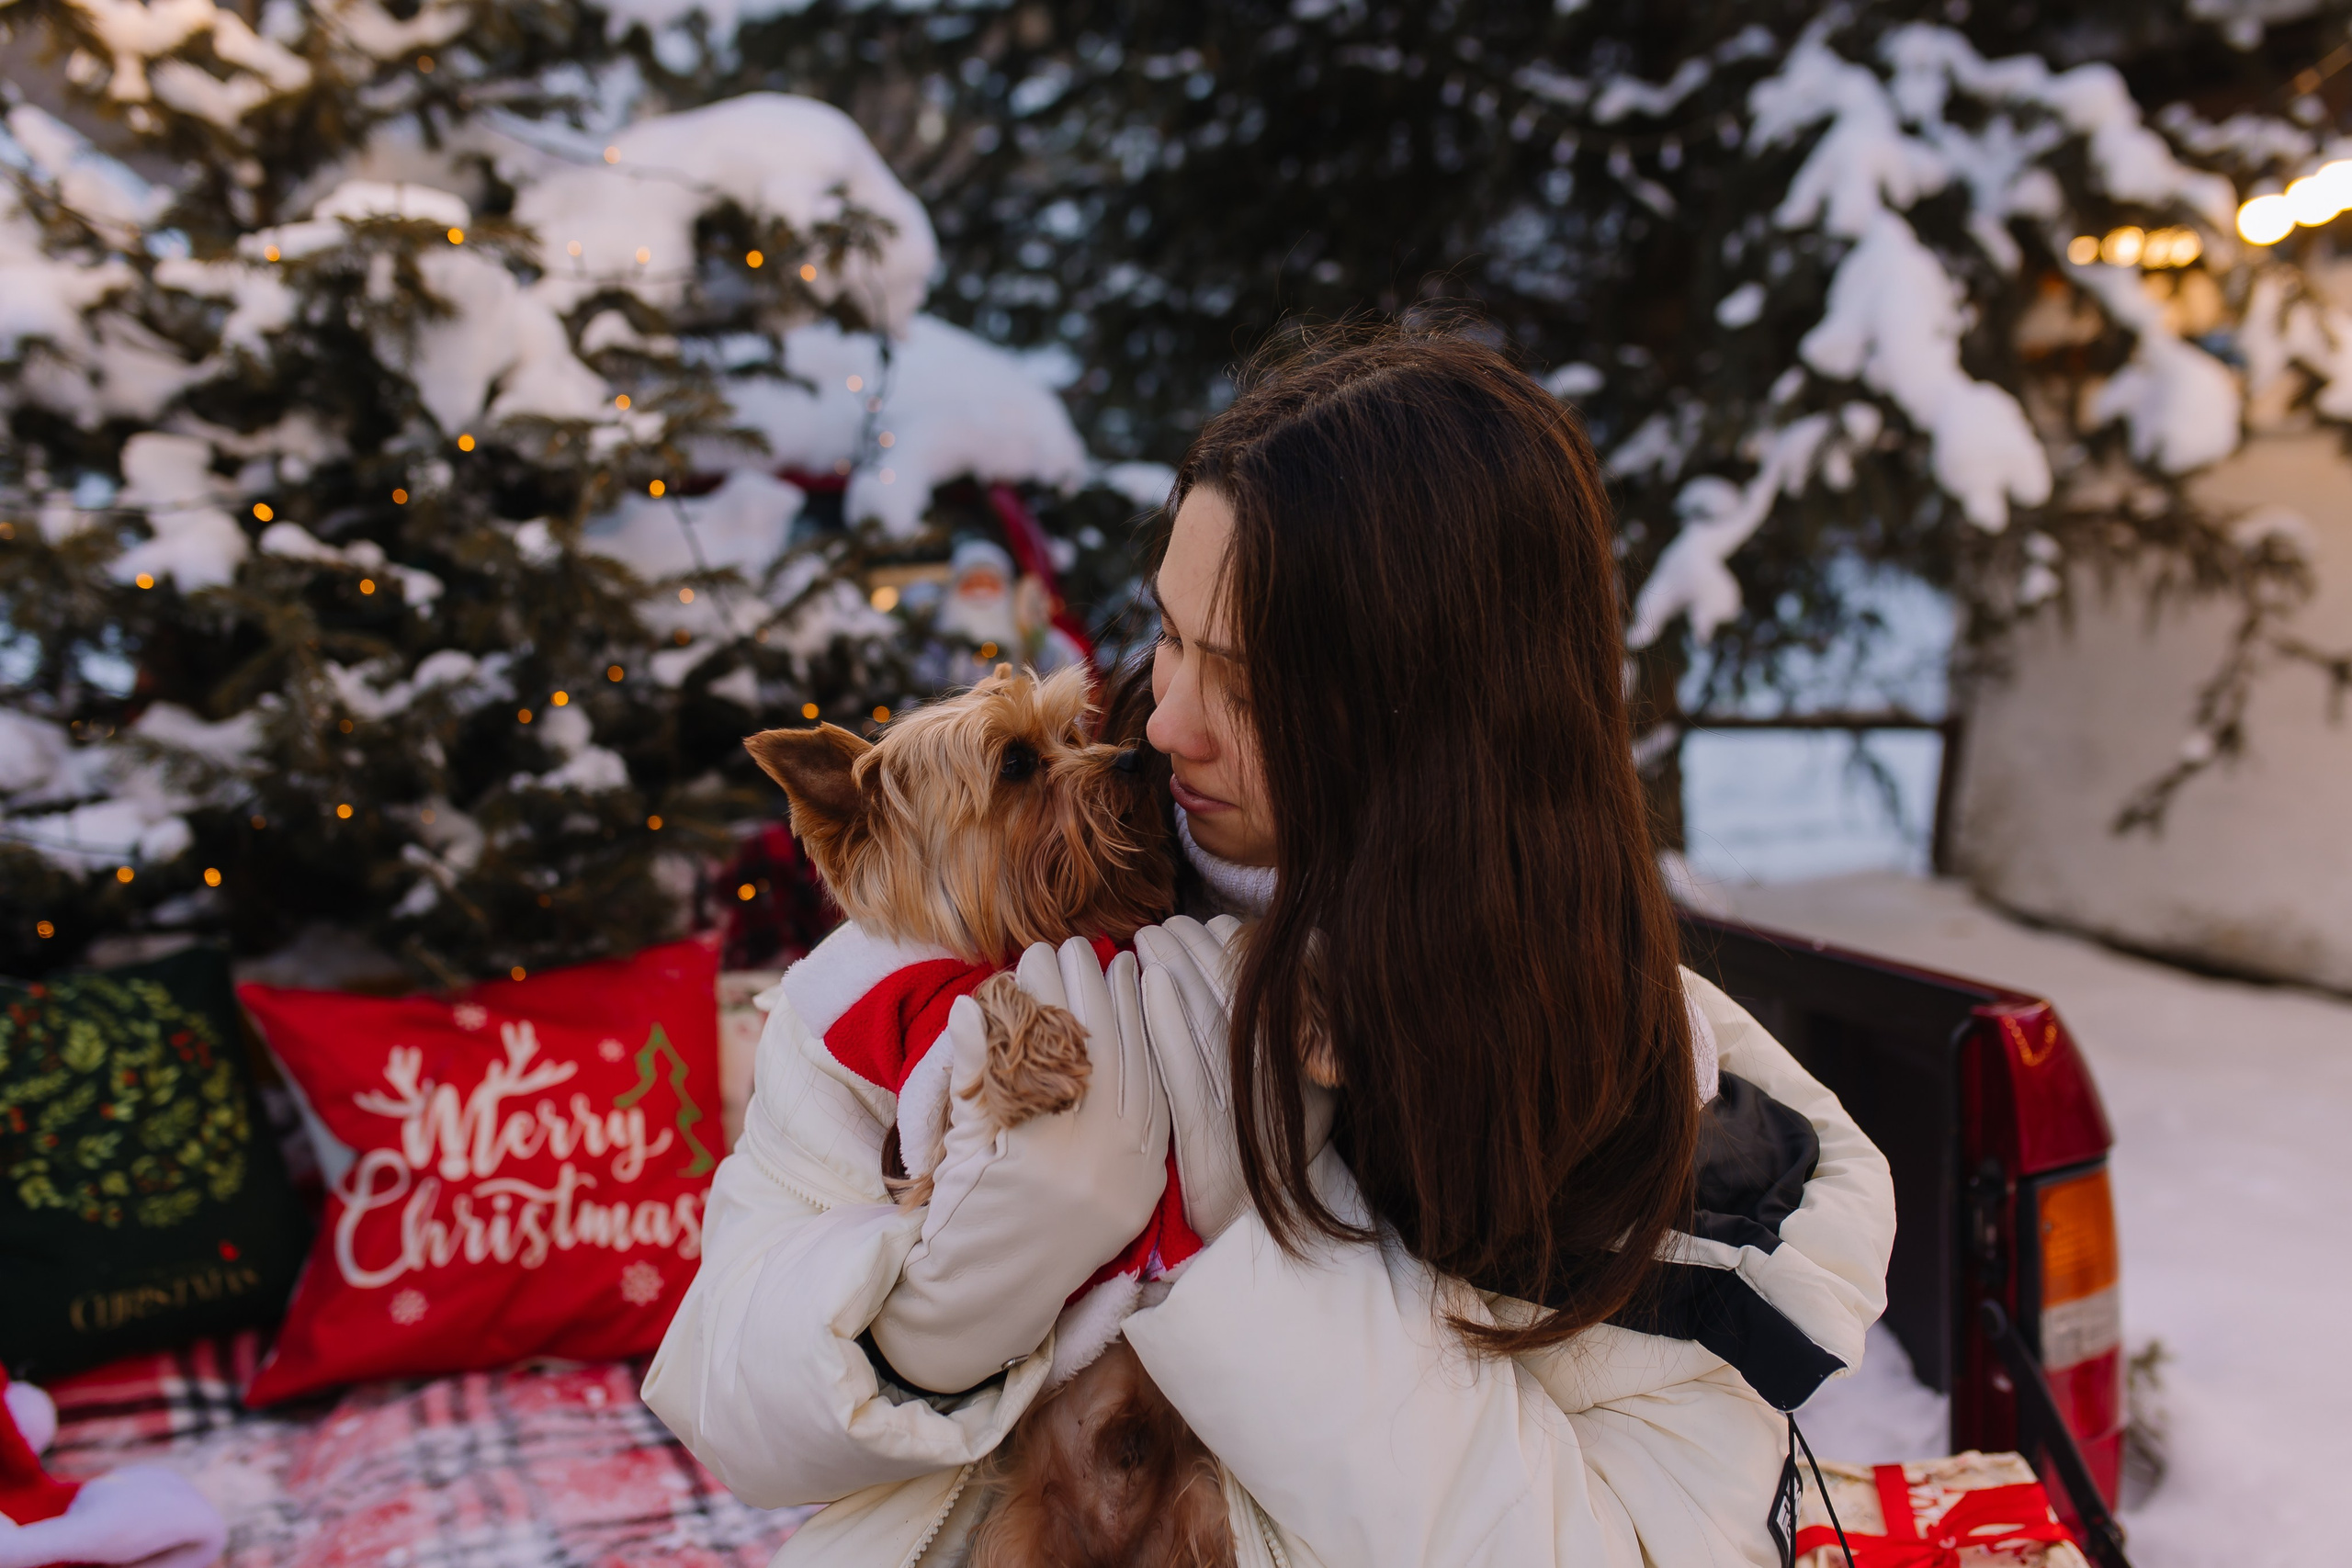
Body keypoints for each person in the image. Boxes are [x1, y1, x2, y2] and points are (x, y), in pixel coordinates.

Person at [643, 327, 1896, 1566]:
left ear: (1439, 721)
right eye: (1171, 635)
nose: (1164, 719)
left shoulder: (1625, 1110)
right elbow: (722, 1391)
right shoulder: (929, 946)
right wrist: (933, 1313)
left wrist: (1243, 1243)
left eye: (1246, 684)